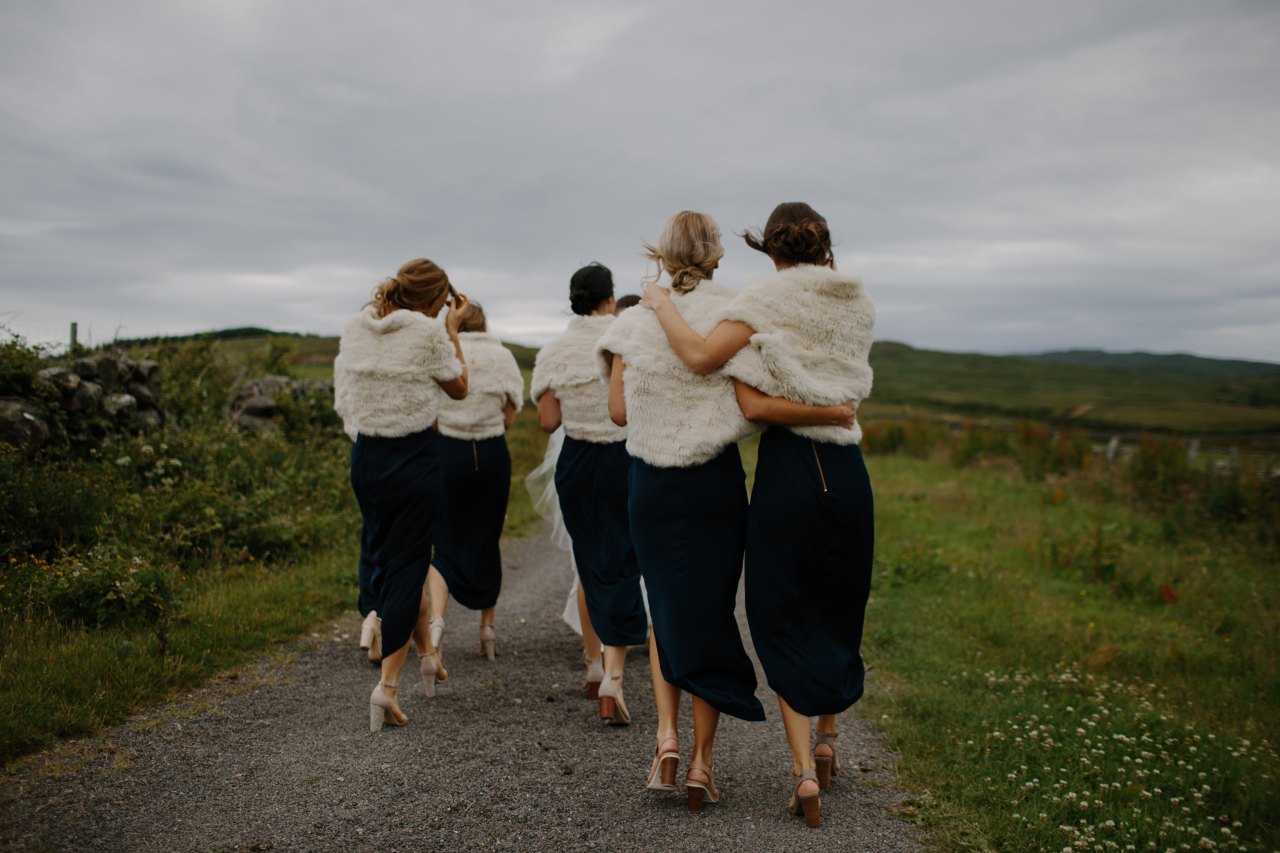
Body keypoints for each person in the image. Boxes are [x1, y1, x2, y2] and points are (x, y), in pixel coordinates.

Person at [598, 211, 853, 812]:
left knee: (665, 605)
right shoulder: (736, 310)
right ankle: (702, 765)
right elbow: (751, 398)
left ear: (661, 253)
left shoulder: (634, 321)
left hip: (650, 485)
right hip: (712, 484)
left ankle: (665, 740)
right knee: (708, 610)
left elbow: (616, 414)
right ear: (716, 254)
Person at [334, 258, 469, 732]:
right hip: (412, 459)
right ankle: (387, 687)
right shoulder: (429, 332)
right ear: (436, 300)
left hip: (366, 458)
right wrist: (451, 329)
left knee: (391, 556)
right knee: (409, 566)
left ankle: (428, 656)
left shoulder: (357, 329)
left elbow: (344, 393)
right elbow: (459, 387)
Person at [530, 263, 648, 724]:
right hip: (624, 456)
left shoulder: (554, 349)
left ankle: (594, 662)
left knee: (589, 560)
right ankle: (613, 678)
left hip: (576, 462)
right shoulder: (626, 334)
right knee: (625, 558)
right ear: (609, 296)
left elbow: (546, 421)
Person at [426, 301, 525, 673]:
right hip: (492, 455)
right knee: (487, 535)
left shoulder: (445, 353)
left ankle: (436, 624)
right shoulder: (503, 357)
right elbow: (511, 417)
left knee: (444, 538)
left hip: (447, 454)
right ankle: (487, 629)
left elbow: (431, 415)